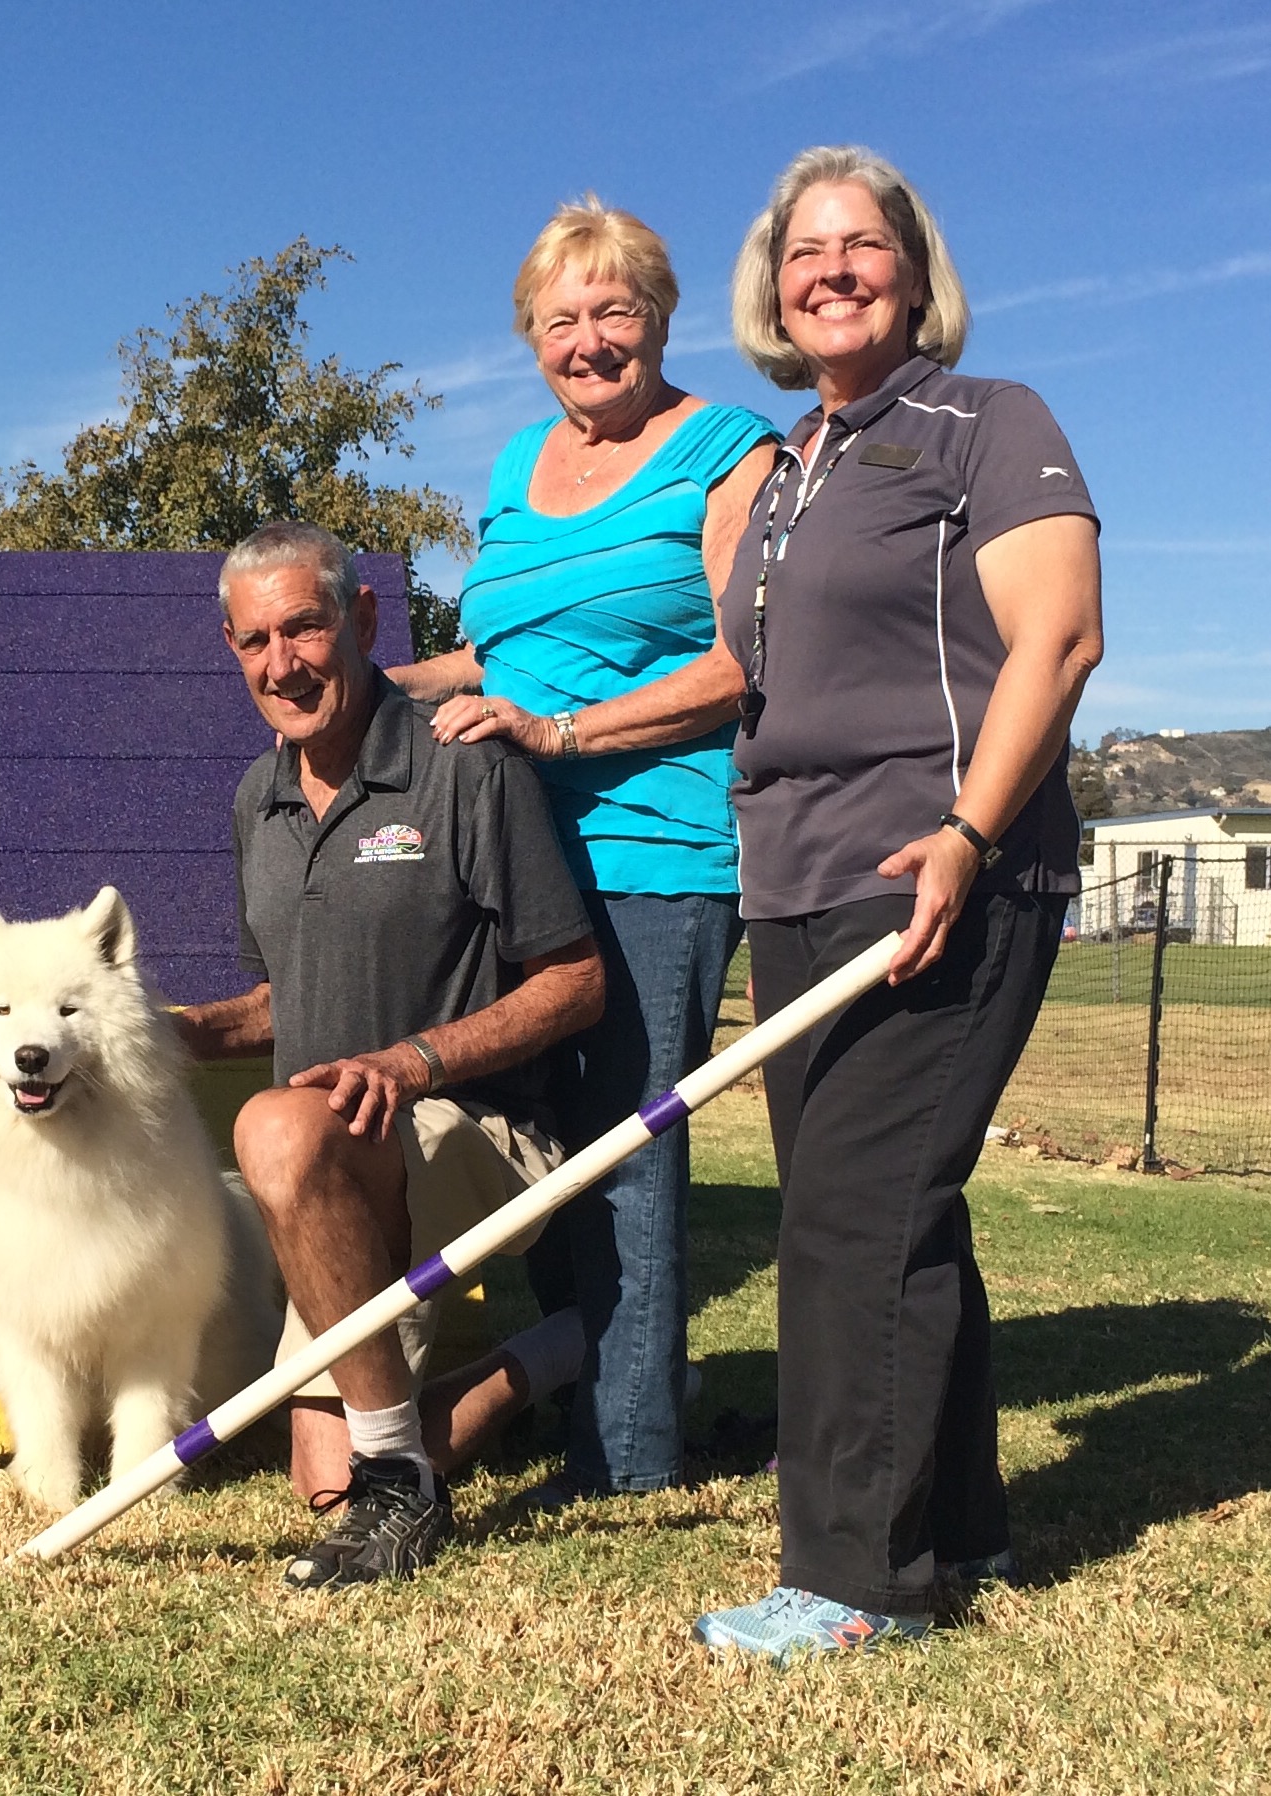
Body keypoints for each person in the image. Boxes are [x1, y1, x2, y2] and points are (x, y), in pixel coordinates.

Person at [691, 147, 1103, 1660]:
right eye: (803, 251)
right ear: (771, 287)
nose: (832, 271)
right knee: (880, 1203)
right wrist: (527, 713)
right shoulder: (783, 469)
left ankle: (855, 1580)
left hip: (935, 872)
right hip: (794, 883)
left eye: (862, 244)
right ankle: (959, 1526)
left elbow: (1057, 639)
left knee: (853, 1217)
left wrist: (962, 832)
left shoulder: (986, 422)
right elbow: (738, 676)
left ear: (915, 276)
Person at [388, 199, 777, 1502]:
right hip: (510, 857)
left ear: (657, 319)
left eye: (613, 311)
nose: (588, 340)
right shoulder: (517, 463)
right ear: (530, 338)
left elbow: (743, 660)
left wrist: (559, 733)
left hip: (652, 849)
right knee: (549, 1146)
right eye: (560, 320)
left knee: (626, 1143)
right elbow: (496, 652)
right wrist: (367, 689)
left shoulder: (725, 450)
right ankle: (590, 1386)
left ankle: (628, 1453)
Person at [175, 521, 604, 1588]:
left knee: (274, 1126)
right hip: (333, 1162)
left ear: (363, 620)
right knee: (327, 1483)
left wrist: (414, 1061)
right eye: (255, 641)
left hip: (480, 1130)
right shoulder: (257, 799)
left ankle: (397, 1473)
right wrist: (179, 1033)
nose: (283, 664)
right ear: (231, 649)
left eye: (305, 628)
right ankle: (547, 1355)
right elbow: (281, 1000)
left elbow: (575, 980)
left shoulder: (465, 768)